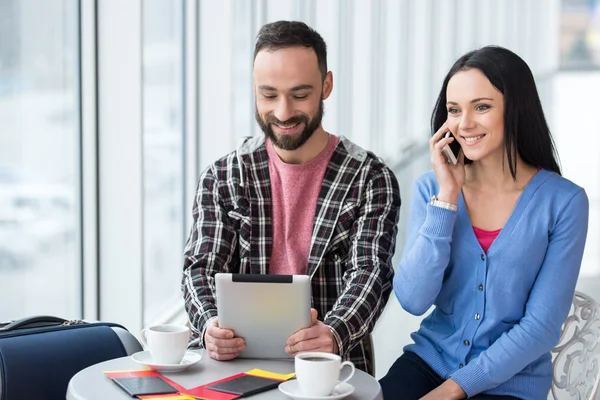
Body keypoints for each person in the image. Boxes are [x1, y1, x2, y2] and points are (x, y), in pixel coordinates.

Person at [181, 20, 401, 374]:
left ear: (326, 86)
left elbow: (370, 273)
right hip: (230, 368)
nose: (283, 112)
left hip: (329, 369)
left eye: (300, 95)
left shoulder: (370, 178)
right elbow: (201, 268)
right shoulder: (222, 177)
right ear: (254, 89)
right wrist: (209, 324)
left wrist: (333, 332)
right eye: (269, 95)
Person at [379, 46, 589, 399]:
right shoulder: (431, 188)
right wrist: (447, 198)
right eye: (454, 110)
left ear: (516, 108)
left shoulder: (564, 203)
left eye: (482, 107)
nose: (464, 124)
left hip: (512, 381)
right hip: (428, 362)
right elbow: (413, 299)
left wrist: (454, 388)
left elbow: (540, 328)